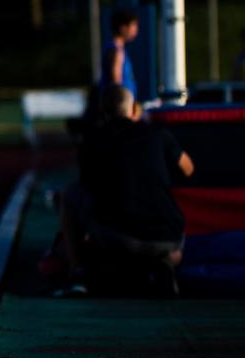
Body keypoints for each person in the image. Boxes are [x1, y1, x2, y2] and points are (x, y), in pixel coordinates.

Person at [54, 85, 194, 297]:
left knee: (70, 194)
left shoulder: (92, 141)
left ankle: (79, 273)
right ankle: (165, 263)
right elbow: (188, 169)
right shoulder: (158, 134)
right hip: (167, 238)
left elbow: (88, 187)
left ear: (102, 111)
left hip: (117, 237)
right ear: (134, 109)